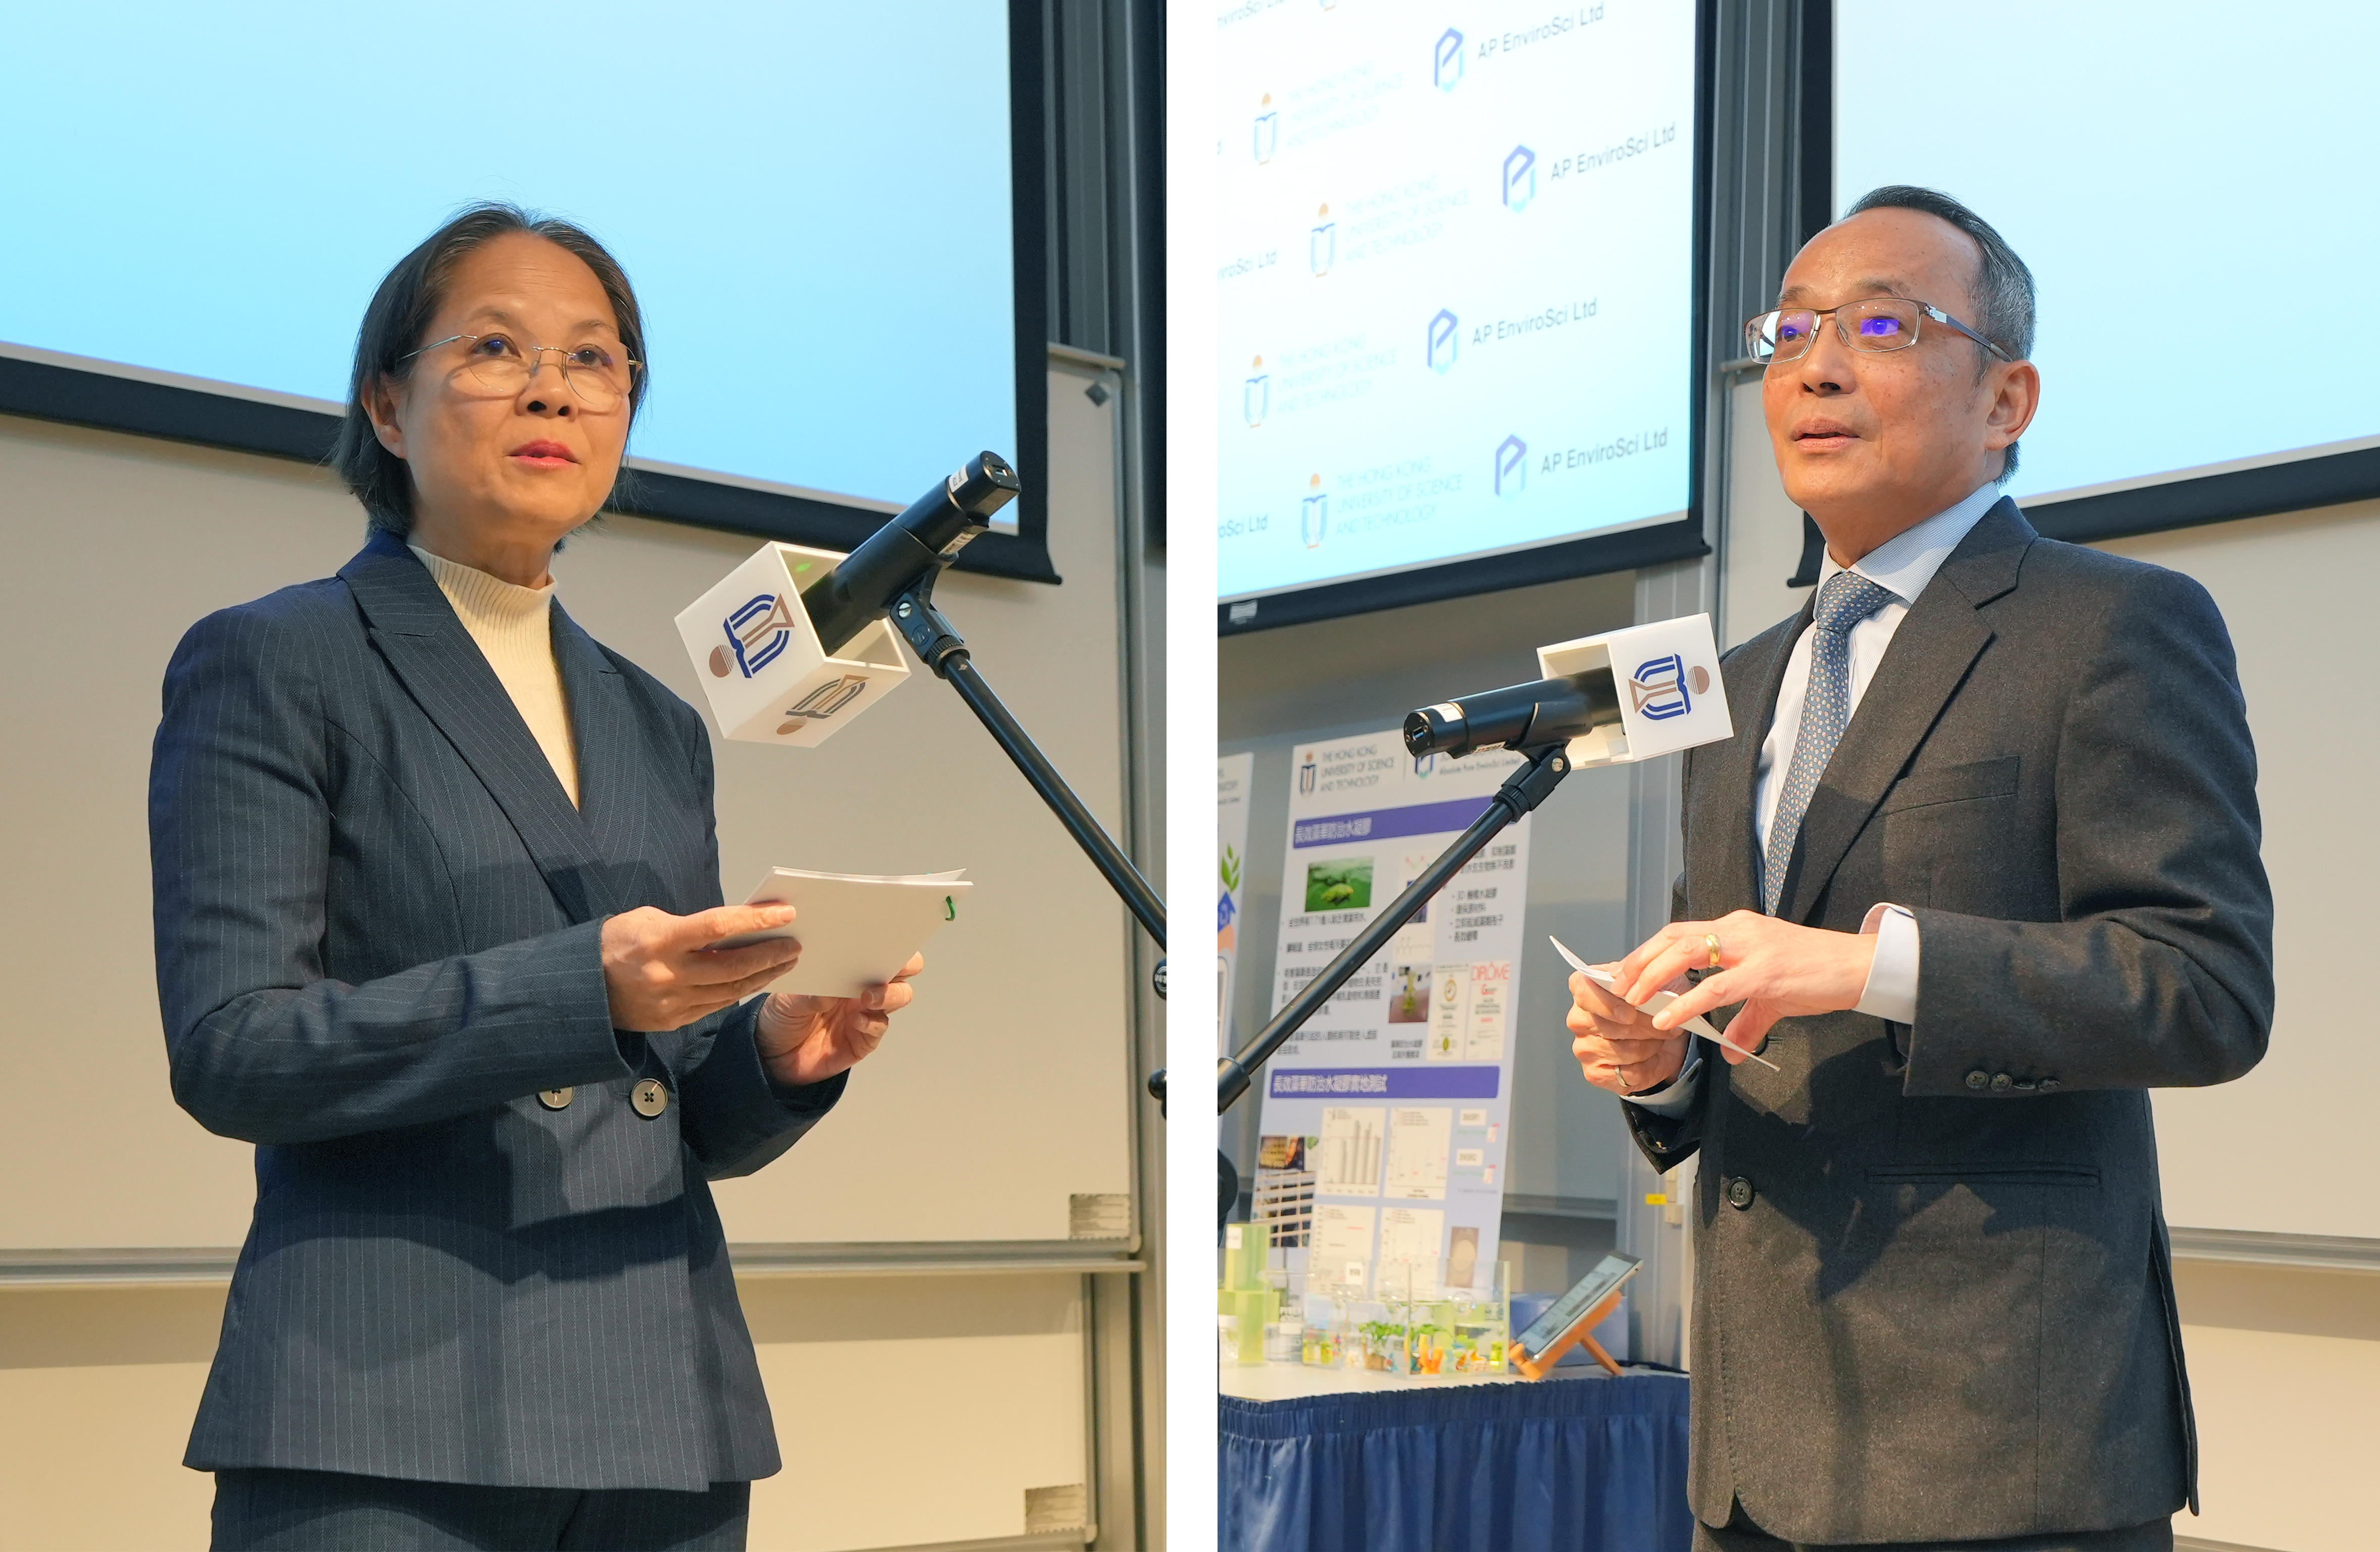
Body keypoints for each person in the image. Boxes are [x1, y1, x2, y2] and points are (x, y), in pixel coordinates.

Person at [151, 203, 922, 1551]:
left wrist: (782, 1056)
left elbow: (667, 1116)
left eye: (598, 359)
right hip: (385, 1418)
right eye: (497, 348)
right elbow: (235, 1051)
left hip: (658, 1413)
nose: (555, 387)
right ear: (386, 407)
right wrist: (584, 985)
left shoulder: (655, 721)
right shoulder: (281, 660)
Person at [1567, 186, 2272, 1551]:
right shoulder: (1746, 683)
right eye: (1790, 330)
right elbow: (1745, 1039)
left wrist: (1877, 965)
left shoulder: (2110, 627)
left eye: (1883, 324)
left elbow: (2203, 987)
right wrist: (1664, 1066)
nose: (1817, 364)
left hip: (2004, 1449)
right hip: (1759, 1465)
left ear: (2008, 399)